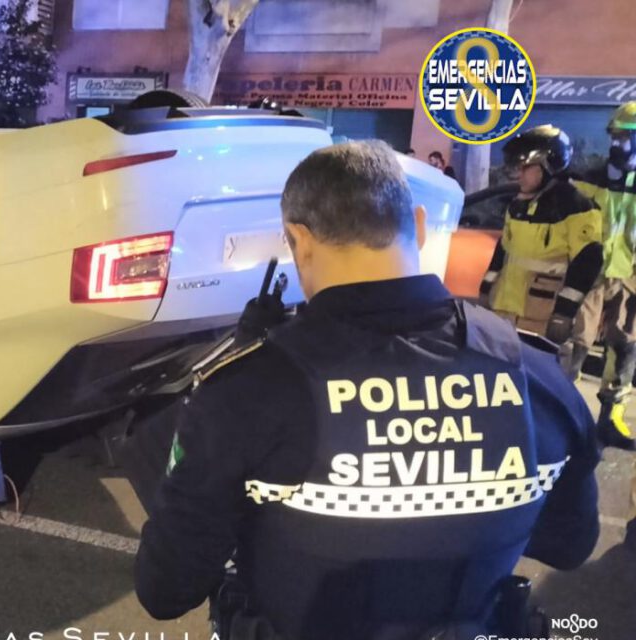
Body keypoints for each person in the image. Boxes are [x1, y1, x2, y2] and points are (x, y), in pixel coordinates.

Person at [135, 140, 600, 639]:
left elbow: (167, 589)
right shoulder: (539, 378)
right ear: (418, 227)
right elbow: (570, 545)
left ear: (299, 240)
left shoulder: (246, 392)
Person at [479, 125, 603, 354]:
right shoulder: (518, 205)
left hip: (540, 318)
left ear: (548, 167)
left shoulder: (576, 207)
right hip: (503, 313)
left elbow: (587, 263)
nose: (518, 174)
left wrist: (564, 314)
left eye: (526, 167)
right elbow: (504, 251)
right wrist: (485, 291)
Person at [572, 102, 636, 456]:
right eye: (615, 136)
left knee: (624, 350)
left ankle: (610, 422)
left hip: (630, 279)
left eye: (627, 137)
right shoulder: (589, 179)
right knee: (574, 346)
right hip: (592, 277)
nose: (619, 144)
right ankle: (565, 418)